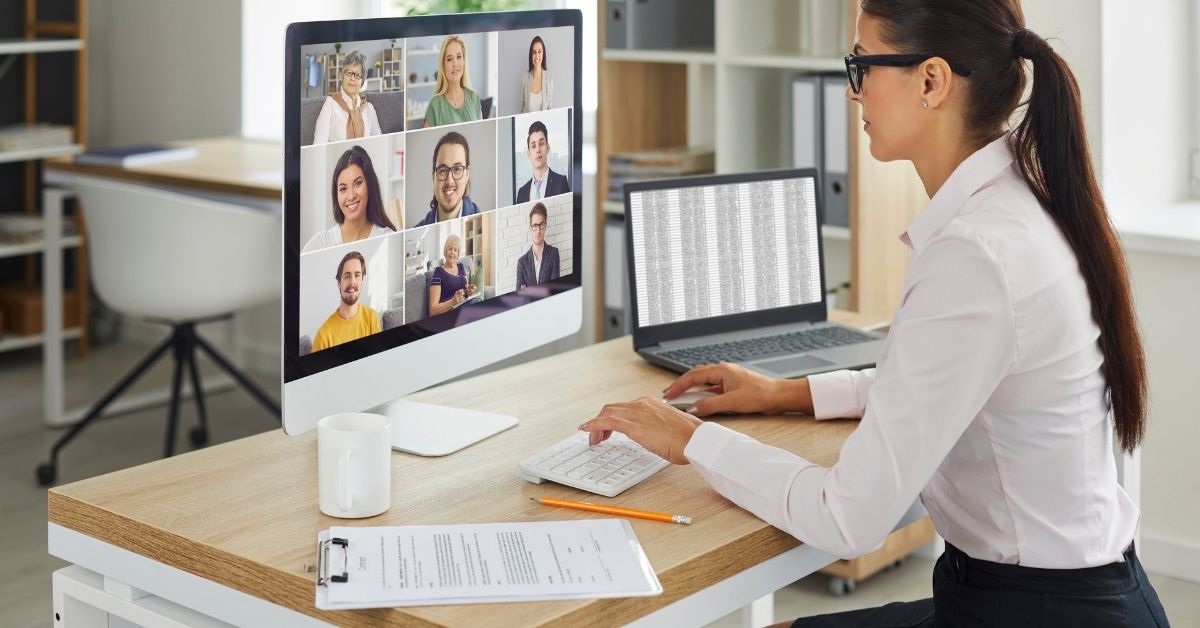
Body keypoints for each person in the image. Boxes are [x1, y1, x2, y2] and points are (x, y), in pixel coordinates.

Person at [578, 1, 1170, 626]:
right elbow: (937, 384)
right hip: (1065, 597)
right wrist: (788, 393)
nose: (851, 93)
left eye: (861, 64)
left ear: (932, 81)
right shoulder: (1018, 200)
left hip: (1038, 613)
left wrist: (688, 438)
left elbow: (847, 516)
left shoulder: (976, 255)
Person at [303, 146, 396, 253]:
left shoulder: (387, 239)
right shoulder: (322, 243)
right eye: (343, 189)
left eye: (358, 183)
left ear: (370, 185)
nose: (351, 196)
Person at [312, 251, 381, 352]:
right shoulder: (323, 336)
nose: (352, 282)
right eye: (347, 276)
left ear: (362, 280)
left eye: (357, 275)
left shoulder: (372, 318)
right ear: (339, 283)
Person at [312, 50, 382, 144]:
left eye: (357, 75)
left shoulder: (369, 108)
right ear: (342, 76)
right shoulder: (330, 105)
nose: (352, 78)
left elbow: (379, 143)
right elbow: (317, 147)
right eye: (349, 73)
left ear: (362, 82)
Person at [415, 132, 482, 227]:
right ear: (433, 176)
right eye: (443, 170)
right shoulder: (417, 232)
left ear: (467, 174)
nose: (449, 181)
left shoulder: (485, 225)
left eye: (457, 169)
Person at [424, 35, 482, 128]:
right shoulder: (435, 105)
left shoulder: (474, 98)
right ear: (443, 65)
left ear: (464, 60)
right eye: (449, 59)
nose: (455, 64)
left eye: (459, 57)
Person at [515, 121, 569, 203]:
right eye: (533, 146)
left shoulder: (561, 182)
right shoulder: (522, 193)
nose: (538, 150)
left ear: (547, 148)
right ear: (528, 154)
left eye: (541, 143)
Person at [428, 234, 476, 317]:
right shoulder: (439, 272)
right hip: (449, 313)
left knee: (477, 301)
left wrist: (469, 292)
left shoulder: (461, 268)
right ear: (446, 251)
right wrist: (452, 302)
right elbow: (432, 310)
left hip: (464, 307)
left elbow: (465, 290)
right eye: (450, 249)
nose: (452, 253)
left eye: (455, 250)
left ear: (458, 253)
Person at [516, 202, 559, 290]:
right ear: (530, 228)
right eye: (535, 225)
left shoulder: (553, 254)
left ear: (545, 226)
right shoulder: (522, 263)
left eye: (541, 225)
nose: (538, 231)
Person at [518, 35, 554, 113]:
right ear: (531, 55)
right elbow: (520, 109)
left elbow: (550, 110)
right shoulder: (525, 77)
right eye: (534, 52)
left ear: (543, 54)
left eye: (539, 52)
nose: (537, 56)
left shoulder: (549, 78)